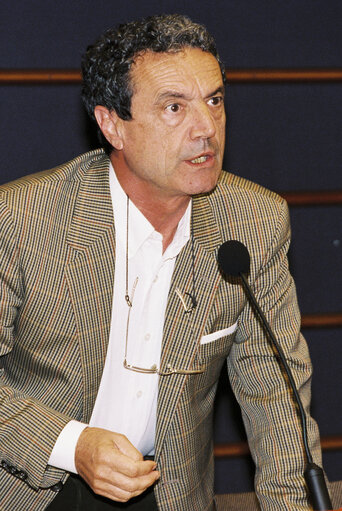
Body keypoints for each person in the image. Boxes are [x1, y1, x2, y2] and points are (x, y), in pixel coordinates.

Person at [0, 14, 325, 511]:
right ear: (112, 125)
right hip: (32, 483)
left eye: (214, 101)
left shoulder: (254, 222)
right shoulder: (25, 218)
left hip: (168, 494)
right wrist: (72, 444)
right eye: (175, 107)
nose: (205, 129)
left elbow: (278, 401)